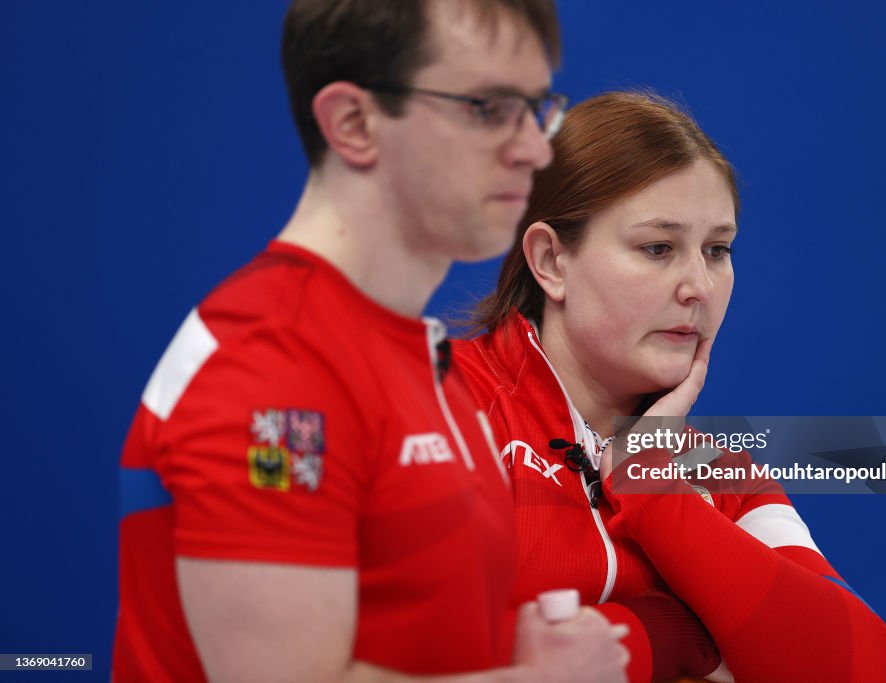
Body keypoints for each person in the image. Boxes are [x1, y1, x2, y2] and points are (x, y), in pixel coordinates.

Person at [113, 2, 632, 681]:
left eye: (536, 107)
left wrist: (506, 646)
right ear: (354, 123)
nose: (536, 148)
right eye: (487, 107)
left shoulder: (417, 354)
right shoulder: (270, 362)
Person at [453, 91, 886, 682]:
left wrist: (651, 486)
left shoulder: (711, 466)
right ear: (551, 262)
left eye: (717, 250)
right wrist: (672, 631)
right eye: (657, 248)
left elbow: (852, 663)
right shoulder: (439, 401)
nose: (699, 286)